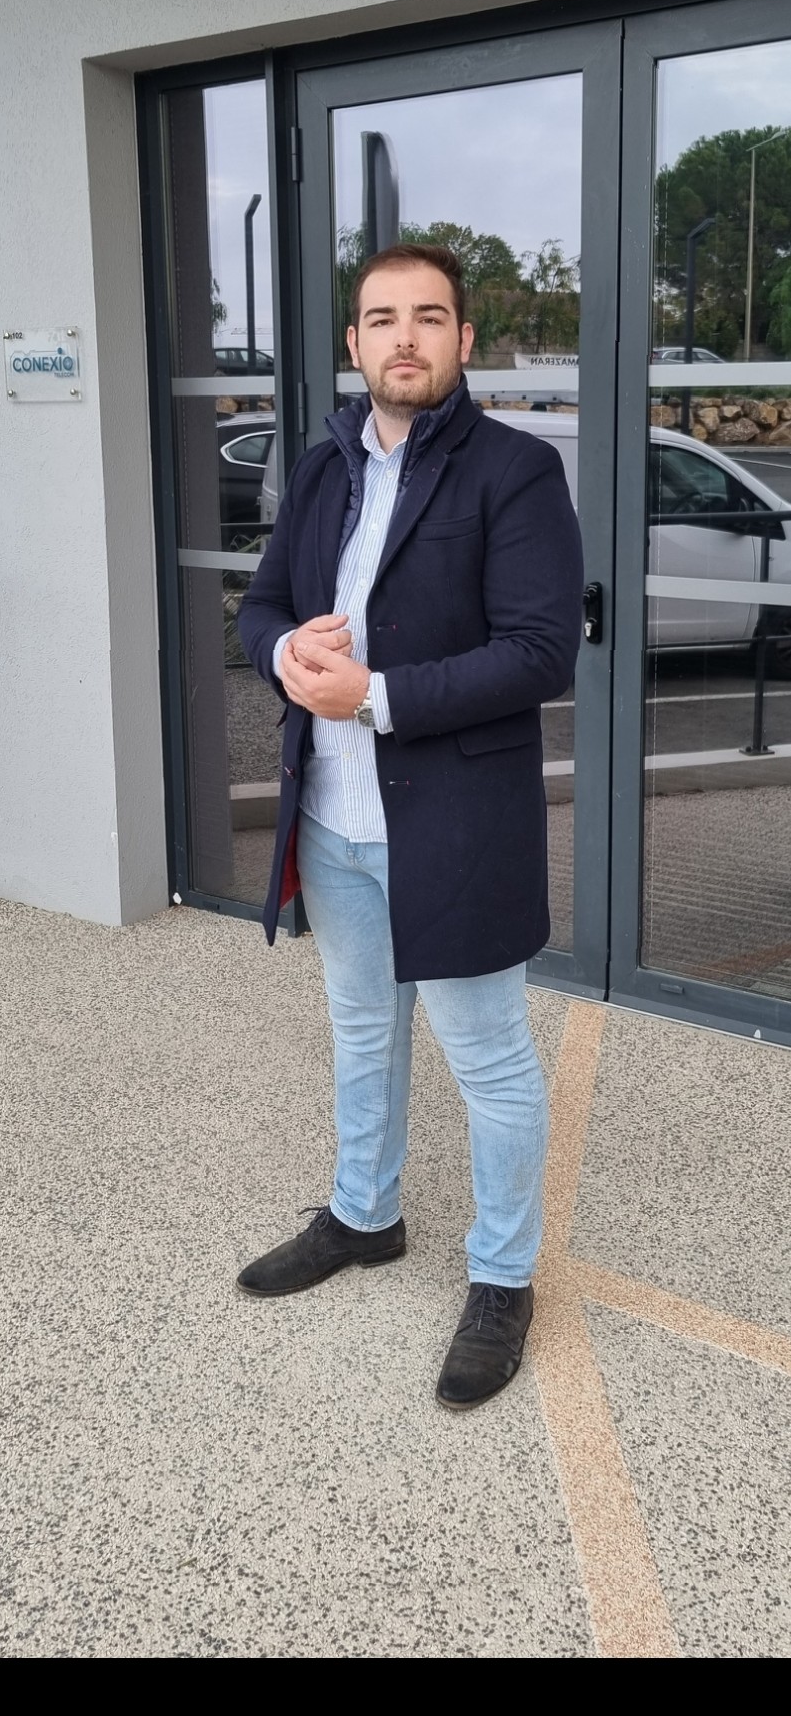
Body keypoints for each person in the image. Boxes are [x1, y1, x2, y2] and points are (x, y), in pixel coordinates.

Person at [236, 244, 583, 1408]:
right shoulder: (324, 466)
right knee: (362, 1034)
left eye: (428, 317)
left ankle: (501, 1278)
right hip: (330, 818)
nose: (403, 338)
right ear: (353, 343)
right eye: (381, 318)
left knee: (489, 1060)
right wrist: (286, 654)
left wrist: (371, 695)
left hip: (454, 826)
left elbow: (538, 652)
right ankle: (362, 1215)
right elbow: (262, 606)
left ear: (462, 341)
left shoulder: (514, 471)